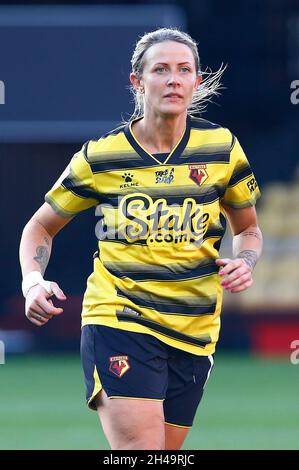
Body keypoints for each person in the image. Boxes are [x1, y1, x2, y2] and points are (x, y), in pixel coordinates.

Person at [19, 28, 263, 450]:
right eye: (161, 70)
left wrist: (247, 260)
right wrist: (32, 280)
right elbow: (39, 227)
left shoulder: (222, 149)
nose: (173, 79)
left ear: (197, 81)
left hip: (195, 329)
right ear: (138, 81)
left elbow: (249, 230)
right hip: (119, 318)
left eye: (184, 70)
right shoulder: (101, 156)